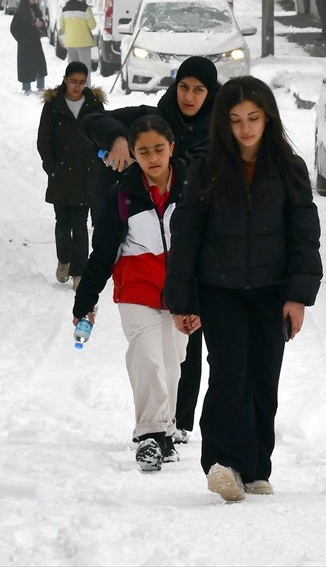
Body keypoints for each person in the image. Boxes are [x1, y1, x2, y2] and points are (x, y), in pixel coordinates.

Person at [163, 75, 322, 503]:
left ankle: (255, 468)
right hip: (219, 290)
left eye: (253, 118)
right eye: (235, 120)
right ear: (224, 123)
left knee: (263, 377)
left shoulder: (289, 169)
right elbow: (187, 236)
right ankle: (222, 464)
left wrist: (298, 296)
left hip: (273, 291)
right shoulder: (206, 168)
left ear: (268, 118)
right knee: (229, 372)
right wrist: (182, 299)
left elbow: (304, 236)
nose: (245, 128)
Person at [79, 55, 221, 446]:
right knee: (149, 352)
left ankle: (177, 423)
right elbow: (90, 120)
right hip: (140, 258)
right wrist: (117, 138)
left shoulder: (220, 132)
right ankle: (155, 430)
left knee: (180, 352)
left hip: (188, 262)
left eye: (199, 90)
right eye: (184, 87)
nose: (189, 96)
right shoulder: (151, 118)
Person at [73, 115, 188, 473]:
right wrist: (85, 301)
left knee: (172, 362)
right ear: (134, 154)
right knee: (146, 356)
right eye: (144, 151)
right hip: (137, 290)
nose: (152, 158)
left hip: (180, 292)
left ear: (171, 148)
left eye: (159, 149)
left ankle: (166, 431)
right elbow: (103, 253)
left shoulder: (192, 189)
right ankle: (150, 435)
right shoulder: (122, 195)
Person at [38, 61, 106, 288]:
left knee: (80, 224)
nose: (77, 87)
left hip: (87, 174)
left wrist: (98, 162)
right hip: (61, 174)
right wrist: (52, 167)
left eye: (82, 82)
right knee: (62, 223)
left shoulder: (94, 105)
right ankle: (63, 261)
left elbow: (103, 135)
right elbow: (44, 140)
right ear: (65, 80)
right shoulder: (53, 105)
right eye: (73, 81)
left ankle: (79, 272)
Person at [10, 0, 49, 94]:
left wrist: (41, 25)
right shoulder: (20, 12)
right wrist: (22, 39)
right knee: (26, 66)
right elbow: (13, 28)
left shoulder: (35, 10)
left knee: (40, 64)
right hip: (25, 44)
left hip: (35, 41)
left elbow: (42, 22)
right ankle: (26, 87)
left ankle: (41, 85)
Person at [60, 0, 96, 70]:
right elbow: (93, 26)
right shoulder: (85, 8)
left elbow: (61, 25)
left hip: (70, 43)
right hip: (84, 43)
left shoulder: (65, 9)